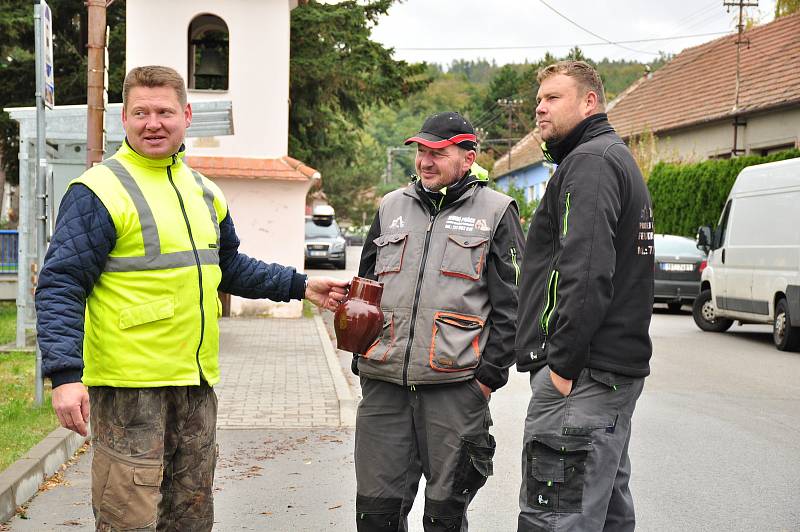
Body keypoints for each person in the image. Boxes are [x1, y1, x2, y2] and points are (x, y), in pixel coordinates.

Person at [35, 65, 348, 531]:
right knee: (128, 519)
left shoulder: (203, 192)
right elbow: (60, 284)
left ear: (186, 115)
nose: (152, 123)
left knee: (191, 517)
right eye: (140, 112)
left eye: (163, 111)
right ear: (125, 120)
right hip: (128, 388)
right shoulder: (98, 191)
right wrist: (64, 375)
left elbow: (231, 267)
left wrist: (301, 286)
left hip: (195, 385)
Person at [355, 111, 525, 531]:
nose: (425, 161)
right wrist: (363, 359)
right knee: (375, 517)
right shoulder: (390, 207)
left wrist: (485, 380)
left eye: (438, 152)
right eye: (420, 151)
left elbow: (513, 307)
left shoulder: (497, 212)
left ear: (468, 157)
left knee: (444, 520)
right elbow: (365, 288)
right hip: (384, 390)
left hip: (454, 392)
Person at [514, 60, 654, 531]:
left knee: (555, 518)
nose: (540, 109)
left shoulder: (590, 163)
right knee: (605, 514)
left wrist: (561, 367)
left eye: (553, 98)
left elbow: (587, 271)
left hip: (585, 376)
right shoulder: (609, 157)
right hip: (606, 376)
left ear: (589, 101)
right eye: (538, 100)